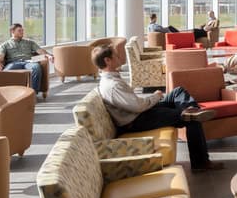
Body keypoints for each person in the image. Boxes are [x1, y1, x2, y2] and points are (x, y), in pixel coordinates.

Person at [92, 43, 224, 173]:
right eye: (115, 55)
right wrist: (155, 96)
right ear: (107, 60)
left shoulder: (113, 80)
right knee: (192, 119)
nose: (118, 56)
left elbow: (135, 103)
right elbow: (138, 106)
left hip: (141, 112)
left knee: (178, 91)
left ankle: (191, 110)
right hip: (137, 120)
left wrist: (152, 98)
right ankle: (200, 162)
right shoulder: (113, 86)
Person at [0, 23, 52, 95]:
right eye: (19, 31)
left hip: (29, 62)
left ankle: (33, 94)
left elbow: (40, 51)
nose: (22, 32)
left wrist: (48, 55)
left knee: (36, 67)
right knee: (6, 72)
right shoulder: (5, 45)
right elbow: (0, 56)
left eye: (22, 30)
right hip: (13, 63)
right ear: (12, 32)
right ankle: (7, 94)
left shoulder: (29, 42)